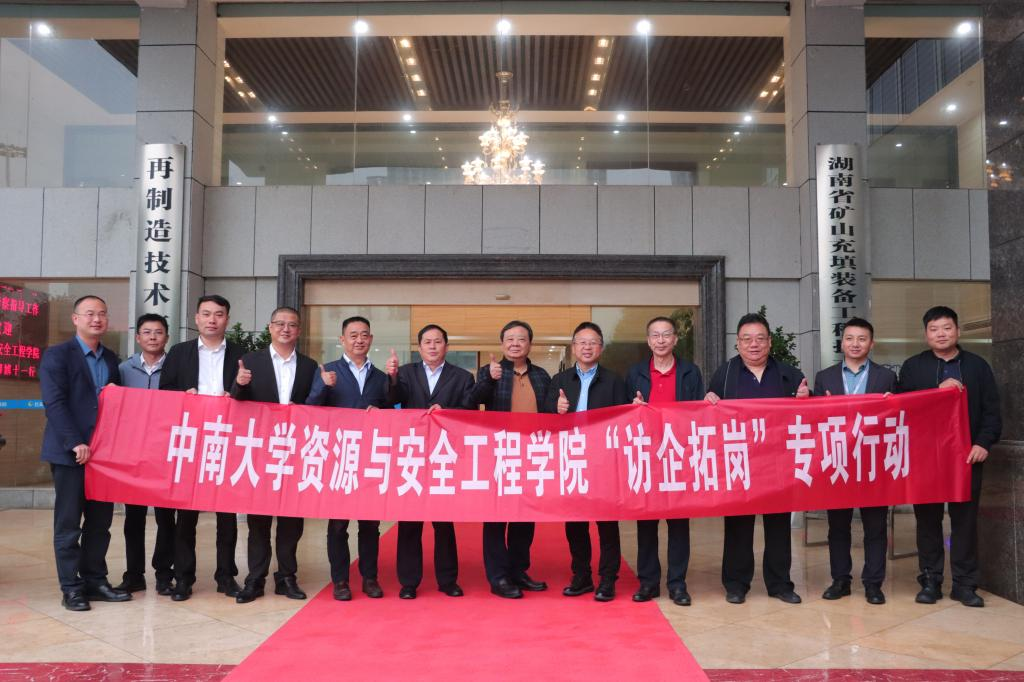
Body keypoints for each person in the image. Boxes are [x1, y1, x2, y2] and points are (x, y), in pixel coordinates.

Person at [898, 306, 1001, 607]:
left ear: (957, 331)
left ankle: (964, 584)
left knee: (965, 522)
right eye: (934, 329)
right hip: (926, 458)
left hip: (967, 458)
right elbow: (904, 407)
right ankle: (930, 581)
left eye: (946, 328)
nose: (941, 334)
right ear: (926, 334)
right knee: (927, 521)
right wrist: (936, 390)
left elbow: (992, 410)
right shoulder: (913, 367)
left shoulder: (977, 366)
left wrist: (983, 443)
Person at [705, 312, 809, 605]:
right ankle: (736, 584)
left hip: (779, 464)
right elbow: (709, 419)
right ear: (737, 343)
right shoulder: (724, 374)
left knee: (778, 526)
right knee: (738, 526)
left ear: (770, 342)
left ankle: (780, 584)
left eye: (760, 338)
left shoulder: (789, 374)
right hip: (740, 462)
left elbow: (808, 417)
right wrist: (709, 401)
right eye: (747, 339)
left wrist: (806, 400)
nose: (754, 344)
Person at [39, 295, 130, 611]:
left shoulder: (111, 359)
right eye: (89, 313)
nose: (97, 319)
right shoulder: (57, 355)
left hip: (103, 457)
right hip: (71, 454)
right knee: (68, 525)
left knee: (99, 523)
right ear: (75, 319)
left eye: (102, 313)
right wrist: (74, 442)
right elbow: (54, 402)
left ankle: (95, 581)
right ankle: (71, 588)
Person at [159, 295, 245, 602]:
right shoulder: (179, 353)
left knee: (227, 515)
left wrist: (237, 391)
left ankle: (226, 576)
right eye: (206, 314)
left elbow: (254, 396)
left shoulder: (241, 355)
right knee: (187, 515)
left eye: (218, 314)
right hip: (192, 441)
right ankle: (183, 577)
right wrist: (184, 396)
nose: (212, 319)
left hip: (227, 441)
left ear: (227, 319)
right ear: (196, 318)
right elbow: (165, 391)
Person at [231, 307, 318, 604]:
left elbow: (316, 407)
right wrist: (239, 384)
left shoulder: (309, 366)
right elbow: (236, 402)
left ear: (299, 330)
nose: (285, 329)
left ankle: (286, 577)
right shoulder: (250, 361)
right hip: (260, 451)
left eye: (291, 325)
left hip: (294, 452)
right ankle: (255, 579)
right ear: (269, 328)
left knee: (291, 520)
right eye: (280, 324)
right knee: (258, 520)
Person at [306, 315, 393, 601]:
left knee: (370, 524)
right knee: (338, 524)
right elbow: (310, 410)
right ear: (342, 340)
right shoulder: (327, 371)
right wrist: (322, 386)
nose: (359, 340)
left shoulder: (380, 377)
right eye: (353, 335)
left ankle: (369, 578)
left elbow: (393, 414)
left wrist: (382, 414)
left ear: (371, 339)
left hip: (369, 459)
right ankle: (340, 580)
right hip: (339, 459)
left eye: (364, 335)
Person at [813, 317, 896, 605]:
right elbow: (815, 420)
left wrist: (893, 403)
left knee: (875, 526)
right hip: (838, 461)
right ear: (842, 343)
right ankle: (840, 580)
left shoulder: (887, 378)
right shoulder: (825, 377)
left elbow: (899, 418)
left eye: (862, 339)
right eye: (849, 338)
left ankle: (873, 583)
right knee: (838, 526)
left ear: (871, 344)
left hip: (873, 462)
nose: (855, 344)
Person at [389, 324, 475, 599]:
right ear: (420, 347)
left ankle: (447, 580)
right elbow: (392, 400)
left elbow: (471, 411)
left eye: (438, 341)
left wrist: (447, 412)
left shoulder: (462, 377)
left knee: (444, 523)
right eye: (427, 342)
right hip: (412, 455)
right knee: (409, 522)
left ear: (446, 346)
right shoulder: (405, 373)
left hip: (444, 456)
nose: (433, 346)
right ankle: (408, 582)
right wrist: (392, 378)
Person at [543, 321, 627, 602]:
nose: (587, 347)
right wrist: (555, 408)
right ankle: (581, 576)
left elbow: (625, 419)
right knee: (575, 523)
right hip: (572, 459)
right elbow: (545, 414)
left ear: (600, 348)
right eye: (582, 342)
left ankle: (608, 579)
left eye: (592, 342)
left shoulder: (614, 381)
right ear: (574, 347)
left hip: (604, 461)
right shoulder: (560, 380)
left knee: (607, 523)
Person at [626, 316, 704, 606]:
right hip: (646, 455)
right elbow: (622, 414)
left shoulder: (690, 372)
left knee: (679, 524)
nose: (661, 340)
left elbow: (698, 413)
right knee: (646, 524)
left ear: (675, 339)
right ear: (648, 341)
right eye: (655, 335)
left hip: (678, 456)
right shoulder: (635, 373)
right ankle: (648, 583)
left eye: (666, 335)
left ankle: (677, 584)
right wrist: (632, 407)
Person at [471, 320, 551, 599]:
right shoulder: (490, 371)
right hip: (499, 453)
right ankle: (498, 577)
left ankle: (518, 570)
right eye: (510, 339)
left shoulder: (541, 375)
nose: (515, 344)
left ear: (530, 344)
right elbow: (472, 402)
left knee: (525, 517)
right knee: (496, 517)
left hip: (532, 454)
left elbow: (550, 411)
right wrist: (488, 380)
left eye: (521, 339)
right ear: (502, 344)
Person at [115, 313, 175, 595]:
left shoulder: (176, 369)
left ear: (167, 337)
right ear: (138, 337)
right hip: (133, 456)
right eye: (147, 332)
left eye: (159, 332)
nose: (153, 337)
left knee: (166, 518)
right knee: (134, 518)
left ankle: (164, 574)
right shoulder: (123, 370)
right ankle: (134, 574)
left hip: (166, 454)